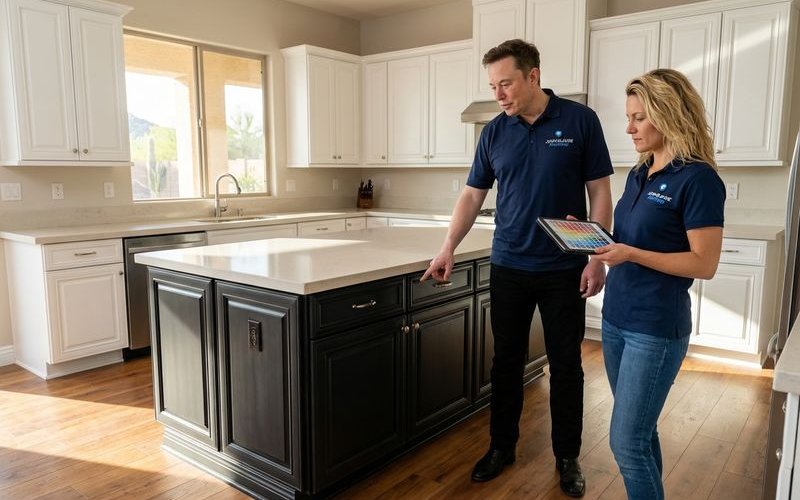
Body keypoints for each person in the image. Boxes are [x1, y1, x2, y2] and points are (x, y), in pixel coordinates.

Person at [421, 39, 613, 498]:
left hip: (563, 267)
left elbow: (600, 193)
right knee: (505, 362)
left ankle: (567, 457)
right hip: (508, 264)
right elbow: (473, 195)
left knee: (566, 365)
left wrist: (596, 256)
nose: (499, 94)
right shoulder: (494, 132)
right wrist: (447, 246)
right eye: (493, 86)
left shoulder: (580, 121)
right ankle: (501, 447)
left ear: (533, 76)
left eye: (505, 83)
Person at [592, 68, 725, 500]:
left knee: (625, 443)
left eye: (639, 118)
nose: (629, 128)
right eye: (628, 118)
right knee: (641, 433)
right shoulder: (639, 172)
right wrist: (594, 238)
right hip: (615, 320)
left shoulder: (699, 179)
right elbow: (631, 238)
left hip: (655, 328)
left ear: (668, 115)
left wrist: (631, 254)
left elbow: (704, 264)